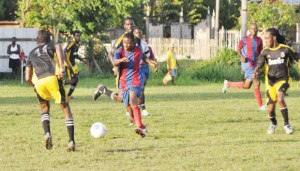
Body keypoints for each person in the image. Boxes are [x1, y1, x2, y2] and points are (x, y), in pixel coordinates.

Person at [25, 30, 76, 151]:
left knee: (44, 108)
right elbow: (58, 46)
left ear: (37, 41)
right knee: (65, 108)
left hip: (38, 83)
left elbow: (27, 77)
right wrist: (62, 68)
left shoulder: (31, 53)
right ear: (49, 39)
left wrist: (34, 85)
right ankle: (71, 142)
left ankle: (47, 133)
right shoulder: (51, 45)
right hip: (52, 78)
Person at [253, 28, 300, 134]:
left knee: (280, 98)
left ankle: (287, 125)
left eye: (267, 38)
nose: (265, 40)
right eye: (264, 38)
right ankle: (273, 123)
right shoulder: (265, 52)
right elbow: (259, 65)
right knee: (270, 110)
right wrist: (256, 72)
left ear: (274, 38)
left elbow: (298, 59)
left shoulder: (285, 49)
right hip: (270, 83)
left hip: (283, 79)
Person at [222, 23, 267, 111]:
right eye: (252, 28)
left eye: (255, 29)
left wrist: (260, 63)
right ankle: (261, 106)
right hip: (247, 64)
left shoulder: (259, 40)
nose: (253, 30)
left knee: (247, 85)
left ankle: (228, 84)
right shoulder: (244, 39)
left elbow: (260, 52)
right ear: (249, 30)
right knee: (257, 82)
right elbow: (238, 49)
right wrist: (241, 56)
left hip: (255, 65)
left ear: (257, 30)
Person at [113, 32, 147, 137]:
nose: (125, 45)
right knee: (128, 108)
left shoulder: (138, 50)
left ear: (132, 43)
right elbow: (114, 62)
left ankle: (140, 127)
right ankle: (142, 127)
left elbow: (143, 56)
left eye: (128, 43)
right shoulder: (119, 51)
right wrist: (121, 60)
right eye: (124, 42)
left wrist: (150, 62)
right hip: (123, 81)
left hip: (136, 79)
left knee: (133, 100)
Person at [64, 30, 87, 100]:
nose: (78, 37)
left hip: (73, 64)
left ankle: (68, 96)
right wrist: (67, 64)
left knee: (76, 80)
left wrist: (82, 60)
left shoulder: (78, 44)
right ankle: (59, 82)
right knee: (73, 80)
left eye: (79, 36)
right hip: (69, 64)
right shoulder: (71, 43)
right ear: (73, 36)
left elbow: (75, 54)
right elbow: (64, 52)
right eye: (77, 36)